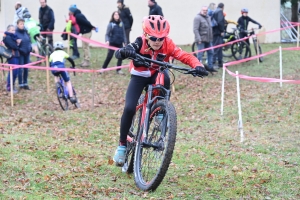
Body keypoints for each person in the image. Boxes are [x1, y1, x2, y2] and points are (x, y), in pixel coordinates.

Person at [112, 15, 208, 166]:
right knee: (129, 108)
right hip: (139, 76)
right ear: (146, 35)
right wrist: (125, 52)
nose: (157, 42)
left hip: (157, 73)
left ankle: (160, 110)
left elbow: (184, 55)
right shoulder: (140, 42)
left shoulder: (168, 44)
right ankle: (122, 145)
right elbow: (123, 51)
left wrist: (197, 65)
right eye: (153, 38)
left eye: (161, 38)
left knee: (166, 77)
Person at [193, 6, 217, 73]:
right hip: (201, 40)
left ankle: (210, 67)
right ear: (201, 10)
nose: (205, 11)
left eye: (206, 10)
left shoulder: (208, 17)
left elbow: (210, 28)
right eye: (204, 10)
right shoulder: (197, 18)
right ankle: (197, 68)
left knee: (211, 52)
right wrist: (198, 39)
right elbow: (195, 29)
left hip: (209, 40)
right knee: (200, 54)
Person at [3, 25, 21, 93]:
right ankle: (9, 86)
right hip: (12, 55)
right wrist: (17, 43)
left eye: (14, 30)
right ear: (8, 30)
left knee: (15, 72)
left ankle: (12, 85)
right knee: (13, 71)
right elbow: (13, 46)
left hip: (16, 55)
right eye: (12, 30)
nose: (14, 31)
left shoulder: (14, 37)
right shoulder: (8, 37)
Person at [15, 19, 32, 90]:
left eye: (23, 24)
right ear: (17, 25)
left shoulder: (26, 32)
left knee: (26, 69)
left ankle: (25, 83)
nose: (22, 25)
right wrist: (19, 50)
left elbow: (29, 41)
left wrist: (30, 48)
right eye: (21, 24)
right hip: (20, 53)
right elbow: (15, 44)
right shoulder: (15, 33)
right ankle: (20, 83)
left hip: (27, 53)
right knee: (20, 69)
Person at [211, 3, 225, 69]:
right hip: (217, 32)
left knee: (219, 48)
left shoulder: (215, 11)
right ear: (223, 7)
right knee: (216, 48)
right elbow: (220, 21)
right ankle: (213, 63)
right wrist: (222, 30)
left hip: (215, 32)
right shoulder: (219, 11)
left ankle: (220, 62)